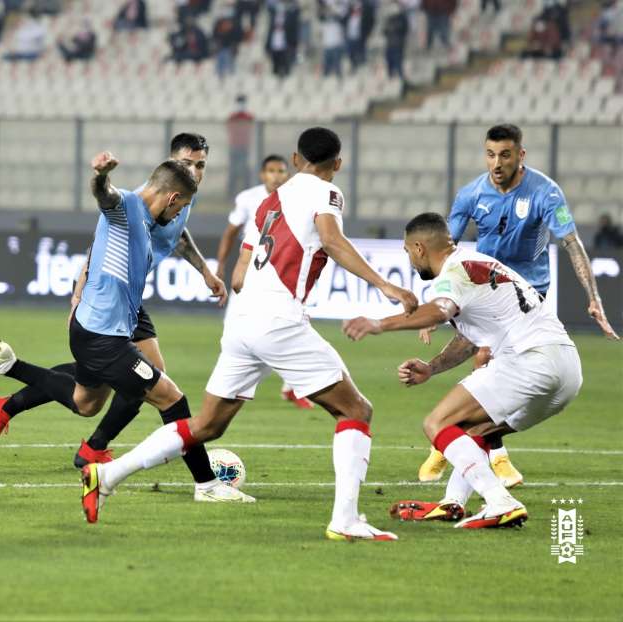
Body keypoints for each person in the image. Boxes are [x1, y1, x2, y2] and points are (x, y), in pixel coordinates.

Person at [80, 127, 418, 539]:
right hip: (278, 320)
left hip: (243, 321)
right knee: (356, 411)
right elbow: (332, 240)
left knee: (206, 425)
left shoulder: (269, 201)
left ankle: (107, 475)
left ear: (295, 161)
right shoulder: (327, 193)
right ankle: (345, 520)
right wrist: (385, 285)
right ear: (338, 164)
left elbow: (241, 270)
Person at [0, 135, 244, 504]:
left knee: (85, 402)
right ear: (172, 195)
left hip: (106, 325)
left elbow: (170, 235)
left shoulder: (161, 210)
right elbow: (105, 197)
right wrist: (101, 175)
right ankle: (205, 483)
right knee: (171, 398)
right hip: (103, 332)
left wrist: (204, 271)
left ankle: (9, 369)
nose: (179, 214)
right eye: (180, 205)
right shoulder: (128, 207)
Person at [343, 212, 582, 529]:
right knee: (476, 432)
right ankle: (453, 502)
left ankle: (501, 502)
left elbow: (440, 311)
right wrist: (431, 367)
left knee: (437, 422)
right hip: (567, 369)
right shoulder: (476, 264)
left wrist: (379, 324)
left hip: (529, 358)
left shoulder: (453, 272)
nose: (410, 260)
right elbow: (470, 339)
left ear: (419, 248)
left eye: (407, 252)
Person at [416, 124, 619, 487]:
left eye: (505, 155)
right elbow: (443, 249)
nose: (497, 163)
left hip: (528, 290)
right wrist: (435, 305)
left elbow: (571, 242)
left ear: (520, 155)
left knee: (490, 359)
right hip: (484, 287)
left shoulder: (545, 192)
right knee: (484, 358)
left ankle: (470, 444)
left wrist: (594, 298)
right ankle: (488, 451)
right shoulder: (470, 194)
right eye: (490, 155)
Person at [215, 155, 313, 410]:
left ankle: (290, 386)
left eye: (281, 171)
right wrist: (221, 264)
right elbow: (230, 233)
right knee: (236, 325)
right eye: (271, 171)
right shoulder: (248, 198)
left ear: (287, 174)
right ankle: (233, 381)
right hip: (249, 269)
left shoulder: (295, 198)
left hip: (279, 273)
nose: (276, 176)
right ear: (262, 174)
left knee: (282, 325)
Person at [226, 95, 254, 200]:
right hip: (234, 147)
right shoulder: (232, 117)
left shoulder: (248, 117)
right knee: (233, 171)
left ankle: (247, 193)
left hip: (244, 147)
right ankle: (230, 194)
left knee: (245, 171)